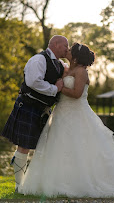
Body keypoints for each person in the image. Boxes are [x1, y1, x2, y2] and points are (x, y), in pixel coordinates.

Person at [18, 43, 114, 198]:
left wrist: (60, 88)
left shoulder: (81, 72)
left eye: (69, 51)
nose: (66, 51)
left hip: (77, 113)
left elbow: (77, 93)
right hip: (61, 113)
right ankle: (59, 182)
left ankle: (80, 182)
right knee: (59, 146)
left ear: (75, 57)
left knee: (79, 147)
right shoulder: (67, 69)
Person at [1, 35, 69, 191]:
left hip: (42, 110)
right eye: (66, 46)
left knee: (43, 146)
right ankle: (19, 186)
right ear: (56, 44)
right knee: (24, 147)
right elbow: (34, 82)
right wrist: (55, 89)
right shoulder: (38, 60)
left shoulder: (58, 63)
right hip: (29, 106)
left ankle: (34, 182)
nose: (67, 49)